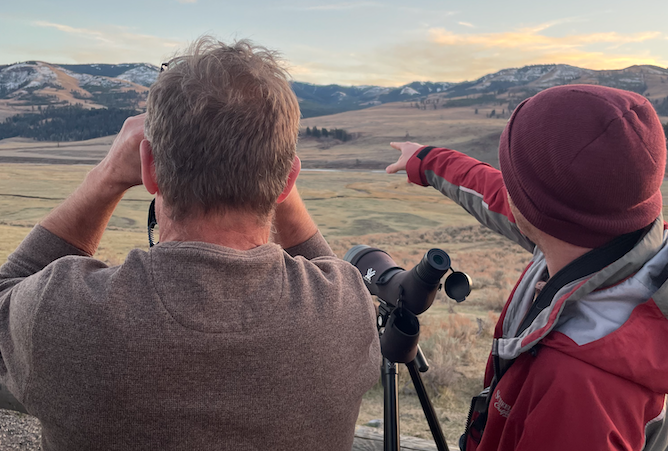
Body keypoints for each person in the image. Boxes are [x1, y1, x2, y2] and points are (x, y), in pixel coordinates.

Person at [0, 37, 381, 451]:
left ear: (149, 167)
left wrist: (106, 175)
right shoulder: (344, 308)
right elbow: (327, 271)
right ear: (288, 181)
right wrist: (268, 170)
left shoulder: (63, 312)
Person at [387, 84, 668, 451]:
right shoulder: (610, 238)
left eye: (514, 180)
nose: (507, 187)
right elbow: (492, 192)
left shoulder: (576, 391)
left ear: (538, 210)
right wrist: (426, 160)